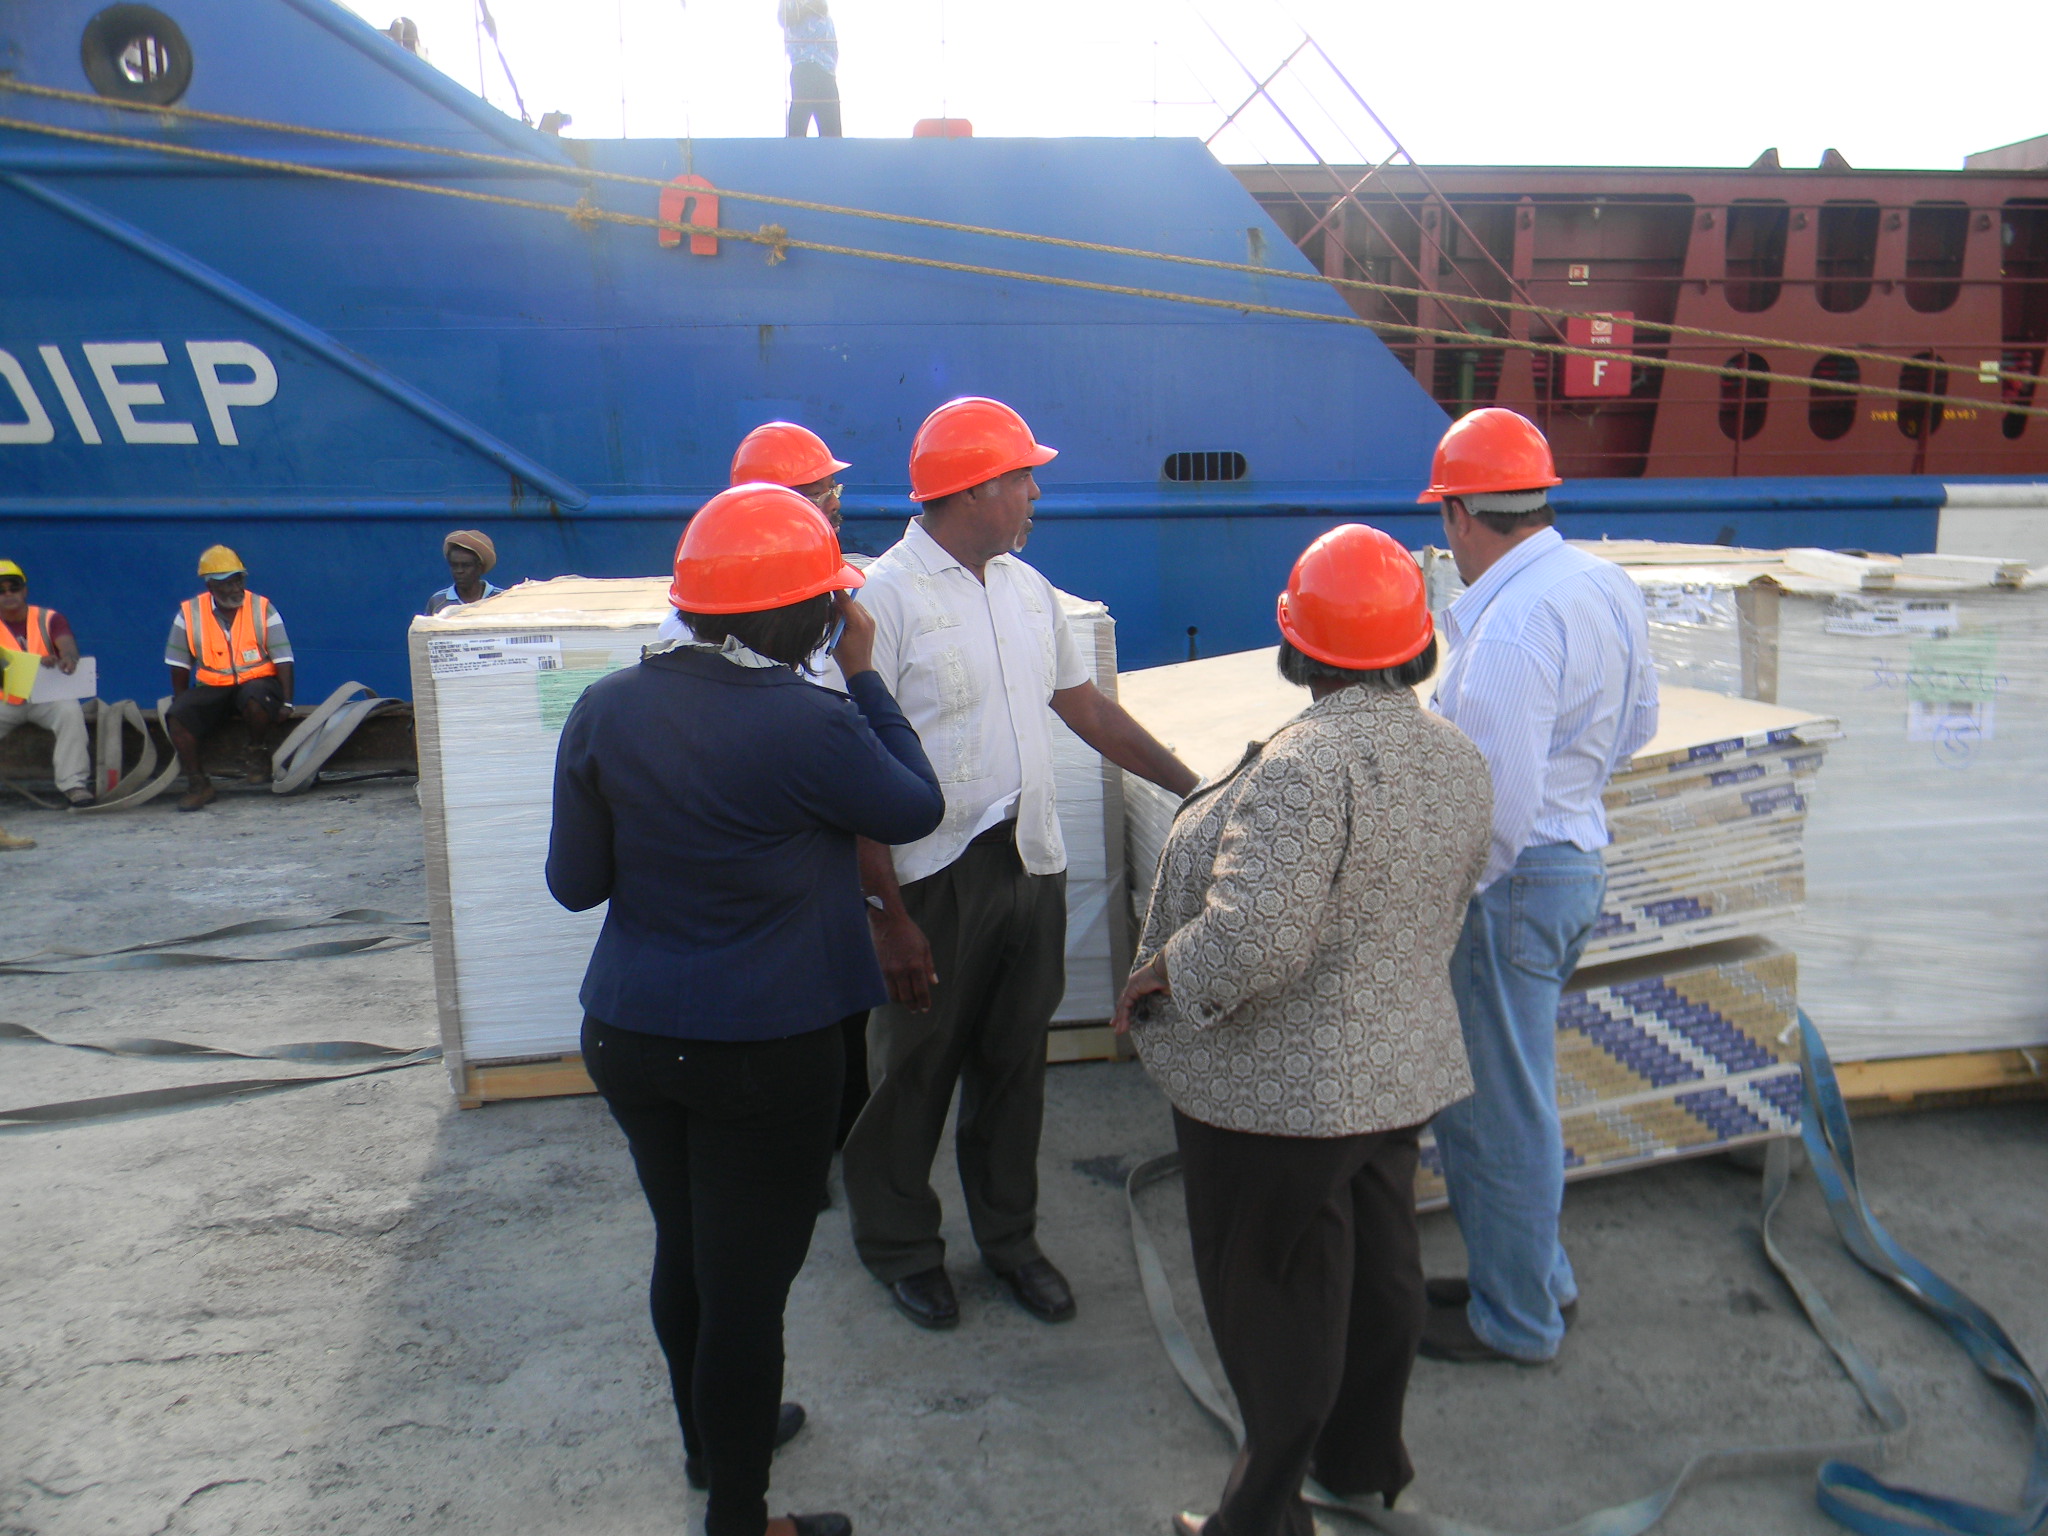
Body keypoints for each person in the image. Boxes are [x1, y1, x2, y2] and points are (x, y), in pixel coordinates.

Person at [548, 483, 943, 1536]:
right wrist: (864, 675)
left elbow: (575, 886)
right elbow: (915, 804)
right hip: (765, 1051)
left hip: (630, 1035)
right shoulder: (811, 721)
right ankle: (740, 1516)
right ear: (809, 613)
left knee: (685, 1250)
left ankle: (708, 1445)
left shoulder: (605, 707)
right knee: (746, 1293)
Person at [1113, 525, 1492, 1536]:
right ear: (1416, 643)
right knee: (1376, 1278)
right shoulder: (1454, 755)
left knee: (1274, 1305)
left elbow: (1257, 938)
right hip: (1394, 1069)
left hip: (1283, 1098)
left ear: (1298, 646)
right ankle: (1362, 1462)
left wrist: (1165, 971)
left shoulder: (1305, 765)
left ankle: (1259, 1519)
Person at [844, 396, 1198, 1331]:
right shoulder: (882, 602)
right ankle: (900, 1246)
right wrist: (886, 916)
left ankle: (1010, 1241)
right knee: (912, 1073)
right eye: (1023, 477)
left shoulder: (1028, 590)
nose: (1037, 494)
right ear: (971, 490)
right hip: (929, 879)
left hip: (1028, 862)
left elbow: (1086, 709)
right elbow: (851, 766)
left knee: (1013, 1066)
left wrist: (1193, 787)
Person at [1419, 408, 1659, 1365]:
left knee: (1493, 1113)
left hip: (1510, 887)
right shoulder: (1600, 583)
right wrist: (1573, 783)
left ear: (1461, 513)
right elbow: (1638, 724)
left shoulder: (1511, 628)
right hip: (1573, 862)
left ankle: (1515, 1320)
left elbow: (1497, 813)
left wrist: (1444, 901)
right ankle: (1537, 1279)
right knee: (1522, 1095)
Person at [164, 546, 295, 813]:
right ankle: (198, 784)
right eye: (227, 583)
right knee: (177, 716)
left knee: (256, 698)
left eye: (239, 581)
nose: (236, 589)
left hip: (257, 682)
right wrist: (182, 703)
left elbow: (283, 658)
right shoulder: (189, 614)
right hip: (213, 687)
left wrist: (287, 703)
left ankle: (257, 753)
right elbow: (178, 665)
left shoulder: (262, 608)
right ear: (210, 586)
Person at [0, 559, 94, 806]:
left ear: (25, 590)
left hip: (46, 697)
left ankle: (74, 785)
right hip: (4, 700)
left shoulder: (49, 618)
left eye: (14, 587)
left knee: (70, 712)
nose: (8, 594)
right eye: (1, 590)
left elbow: (67, 644)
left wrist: (68, 658)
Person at [779, 0, 841, 138]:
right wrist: (808, 9)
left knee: (832, 134)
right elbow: (785, 17)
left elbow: (821, 7)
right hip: (804, 64)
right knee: (798, 129)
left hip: (827, 68)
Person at [426, 530, 505, 614]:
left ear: (479, 567)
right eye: (454, 565)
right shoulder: (437, 601)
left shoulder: (501, 598)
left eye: (466, 565)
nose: (459, 571)